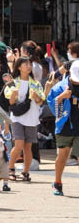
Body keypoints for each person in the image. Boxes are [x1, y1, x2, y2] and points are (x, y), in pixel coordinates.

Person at [5, 56, 44, 182]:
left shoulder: (36, 83)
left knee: (28, 147)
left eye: (29, 64)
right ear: (19, 67)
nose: (28, 66)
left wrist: (36, 96)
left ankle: (25, 172)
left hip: (32, 118)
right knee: (19, 145)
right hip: (17, 118)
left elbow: (40, 102)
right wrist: (13, 95)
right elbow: (11, 103)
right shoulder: (13, 83)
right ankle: (10, 168)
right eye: (25, 64)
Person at [47, 62, 79, 196]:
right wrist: (61, 97)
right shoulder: (60, 87)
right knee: (63, 155)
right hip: (64, 125)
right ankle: (57, 183)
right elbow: (51, 106)